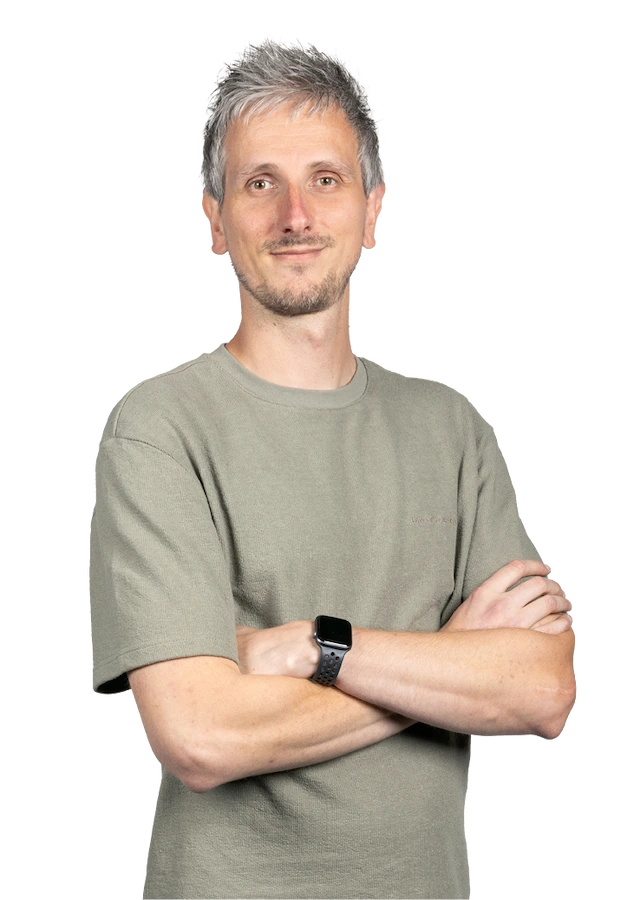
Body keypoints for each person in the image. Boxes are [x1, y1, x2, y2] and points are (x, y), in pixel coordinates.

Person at [89, 38, 576, 900]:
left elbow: (540, 690)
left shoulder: (452, 429)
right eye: (259, 183)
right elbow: (200, 736)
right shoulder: (158, 428)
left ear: (372, 207)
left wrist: (312, 647)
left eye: (325, 178)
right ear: (213, 217)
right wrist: (445, 667)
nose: (295, 216)